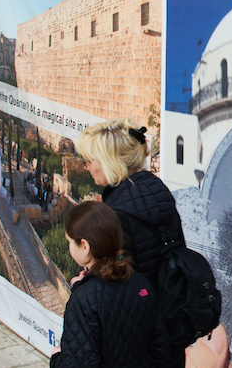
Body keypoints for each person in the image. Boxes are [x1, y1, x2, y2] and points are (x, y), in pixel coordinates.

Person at [75, 117, 187, 367]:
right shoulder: (157, 192)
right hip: (167, 325)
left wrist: (85, 285)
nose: (86, 167)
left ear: (108, 162)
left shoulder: (116, 214)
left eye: (90, 161)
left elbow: (116, 284)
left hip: (134, 339)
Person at [50, 201, 169, 368]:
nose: (70, 248)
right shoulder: (142, 285)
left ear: (85, 246)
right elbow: (160, 351)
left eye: (70, 241)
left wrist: (57, 359)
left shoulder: (83, 301)